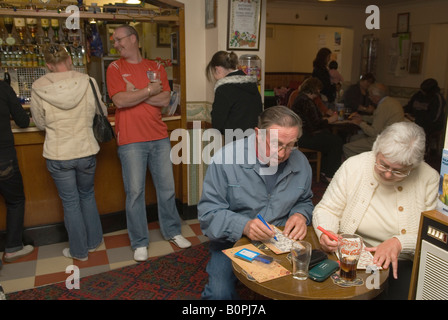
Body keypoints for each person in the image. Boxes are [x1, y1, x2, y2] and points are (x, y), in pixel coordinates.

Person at [198, 106, 314, 299]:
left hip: (279, 241)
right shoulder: (226, 159)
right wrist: (244, 225)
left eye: (290, 144)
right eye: (276, 144)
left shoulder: (300, 162)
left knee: (301, 287)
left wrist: (300, 214)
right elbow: (208, 214)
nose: (283, 153)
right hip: (231, 242)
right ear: (259, 134)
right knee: (220, 294)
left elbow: (305, 201)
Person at [313, 121, 438, 299]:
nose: (387, 174)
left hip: (400, 260)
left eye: (399, 171)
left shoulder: (429, 177)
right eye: (383, 165)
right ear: (376, 150)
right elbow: (327, 209)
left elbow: (431, 235)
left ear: (413, 166)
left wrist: (400, 242)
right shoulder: (354, 165)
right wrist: (327, 233)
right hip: (351, 254)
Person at [106, 24, 191, 262]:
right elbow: (120, 101)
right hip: (131, 140)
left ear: (133, 39)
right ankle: (139, 242)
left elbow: (165, 98)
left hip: (159, 137)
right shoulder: (114, 68)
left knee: (167, 189)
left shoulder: (156, 66)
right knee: (135, 193)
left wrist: (138, 93)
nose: (116, 44)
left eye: (119, 39)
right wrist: (148, 90)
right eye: (114, 41)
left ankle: (173, 231)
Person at [30, 44, 104, 261]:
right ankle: (94, 242)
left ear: (48, 65)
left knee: (70, 202)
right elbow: (100, 110)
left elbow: (41, 123)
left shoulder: (38, 87)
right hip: (86, 149)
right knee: (87, 196)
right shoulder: (88, 82)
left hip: (58, 153)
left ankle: (79, 252)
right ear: (70, 59)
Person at [0, 81, 34, 263]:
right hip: (3, 156)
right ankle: (12, 247)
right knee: (15, 201)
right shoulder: (3, 88)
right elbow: (22, 121)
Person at [291, 77, 343, 182]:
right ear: (314, 89)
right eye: (318, 89)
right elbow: (315, 125)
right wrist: (330, 120)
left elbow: (313, 121)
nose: (319, 91)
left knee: (329, 137)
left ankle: (326, 170)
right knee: (336, 141)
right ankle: (330, 174)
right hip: (304, 136)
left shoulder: (302, 98)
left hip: (302, 134)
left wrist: (326, 120)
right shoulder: (306, 101)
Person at [206, 51, 262, 134]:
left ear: (218, 69)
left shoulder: (223, 89)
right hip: (254, 137)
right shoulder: (252, 84)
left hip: (234, 138)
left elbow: (217, 123)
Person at [343, 82, 404, 159]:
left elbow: (374, 133)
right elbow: (378, 118)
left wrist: (360, 123)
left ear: (376, 96)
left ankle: (358, 168)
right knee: (354, 138)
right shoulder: (392, 102)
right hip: (394, 137)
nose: (369, 97)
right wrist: (362, 117)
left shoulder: (383, 106)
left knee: (347, 147)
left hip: (384, 140)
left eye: (370, 95)